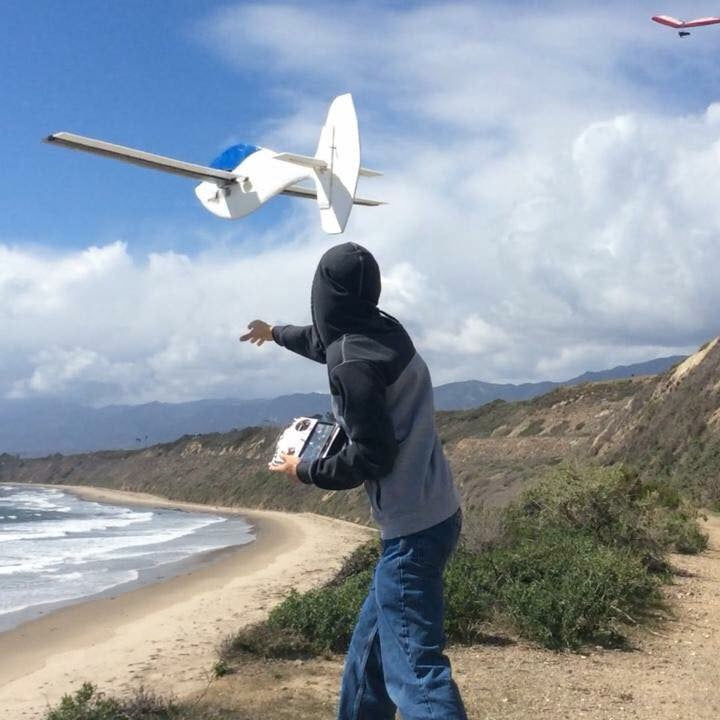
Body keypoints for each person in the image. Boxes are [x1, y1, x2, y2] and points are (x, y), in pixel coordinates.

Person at [240, 242, 467, 720]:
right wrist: (275, 333)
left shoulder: (353, 365)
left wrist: (304, 470)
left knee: (418, 672)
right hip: (435, 512)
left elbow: (371, 455)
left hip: (410, 529)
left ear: (322, 293)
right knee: (368, 659)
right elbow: (321, 341)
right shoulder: (384, 330)